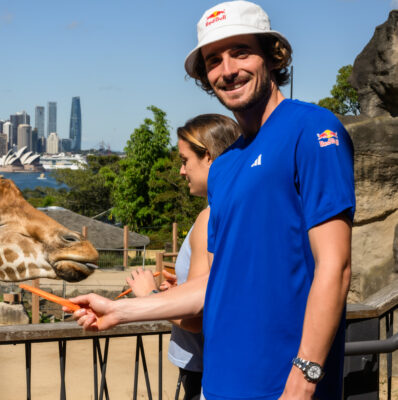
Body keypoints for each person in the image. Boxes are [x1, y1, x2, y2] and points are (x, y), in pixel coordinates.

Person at [69, 1, 355, 399]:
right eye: (213, 60)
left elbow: (335, 265)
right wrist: (119, 310)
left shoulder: (313, 129)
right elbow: (212, 285)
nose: (228, 70)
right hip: (218, 386)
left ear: (273, 56)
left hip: (286, 388)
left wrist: (305, 378)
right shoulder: (225, 167)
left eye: (241, 51)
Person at [127, 114, 241, 400]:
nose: (181, 171)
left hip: (203, 367)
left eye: (184, 160)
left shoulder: (209, 217)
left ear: (210, 158)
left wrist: (150, 295)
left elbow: (198, 319)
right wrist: (181, 288)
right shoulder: (236, 210)